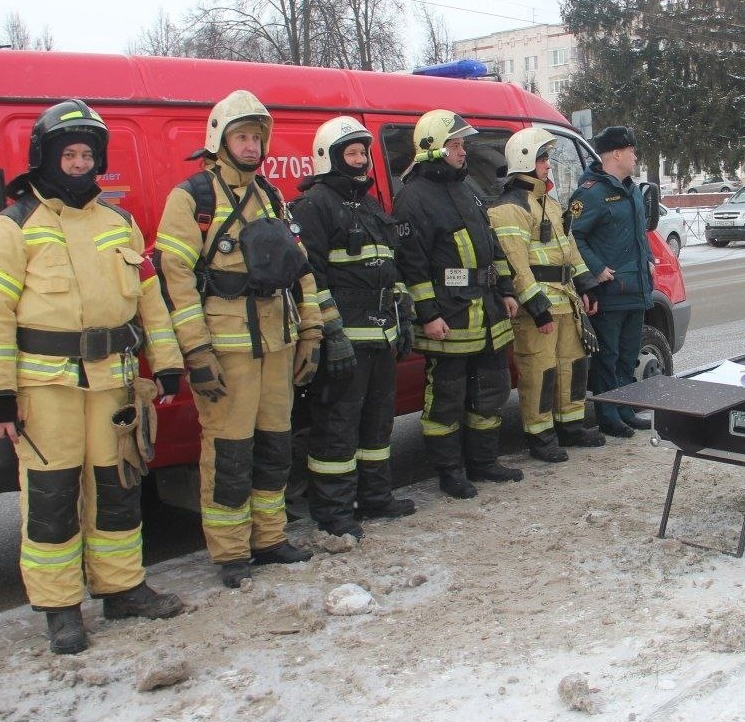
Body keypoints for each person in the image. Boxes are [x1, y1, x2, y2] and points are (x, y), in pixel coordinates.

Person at [0, 100, 186, 654]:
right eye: (70, 153)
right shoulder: (12, 226)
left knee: (117, 490)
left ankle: (122, 588)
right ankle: (60, 607)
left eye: (89, 153)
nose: (80, 163)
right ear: (46, 157)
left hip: (114, 382)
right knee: (52, 498)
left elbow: (151, 302)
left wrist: (170, 363)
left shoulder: (120, 222)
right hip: (47, 392)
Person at [154, 90, 322, 588]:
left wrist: (310, 330)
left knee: (274, 446)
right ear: (219, 140)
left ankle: (269, 538)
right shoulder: (192, 198)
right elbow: (175, 276)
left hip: (278, 342)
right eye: (242, 137)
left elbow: (300, 269)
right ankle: (230, 553)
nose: (251, 146)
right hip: (227, 349)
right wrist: (196, 350)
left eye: (256, 138)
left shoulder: (270, 197)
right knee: (229, 451)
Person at [289, 116, 417, 538]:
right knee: (337, 428)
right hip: (344, 341)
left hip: (379, 336)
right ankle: (335, 513)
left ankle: (376, 496)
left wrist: (403, 312)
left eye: (363, 152)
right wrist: (332, 334)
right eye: (352, 153)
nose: (361, 160)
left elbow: (389, 266)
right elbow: (311, 277)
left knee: (378, 423)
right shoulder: (313, 206)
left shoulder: (370, 204)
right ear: (329, 157)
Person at [393, 109, 522, 499]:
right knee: (446, 400)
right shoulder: (413, 198)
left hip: (486, 311)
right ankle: (450, 472)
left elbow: (492, 247)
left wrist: (506, 289)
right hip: (448, 316)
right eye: (455, 144)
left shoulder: (466, 189)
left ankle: (483, 463)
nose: (462, 151)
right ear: (433, 148)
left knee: (490, 391)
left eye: (463, 144)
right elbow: (411, 266)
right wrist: (428, 315)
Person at [488, 128, 605, 462]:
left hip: (565, 300)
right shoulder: (508, 209)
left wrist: (587, 285)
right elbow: (516, 264)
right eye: (542, 158)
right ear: (524, 159)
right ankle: (539, 435)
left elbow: (569, 249)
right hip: (537, 308)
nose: (548, 165)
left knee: (572, 365)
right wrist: (536, 307)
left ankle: (571, 426)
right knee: (539, 371)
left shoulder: (549, 203)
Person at [567, 126, 653, 438]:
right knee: (608, 357)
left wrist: (650, 262)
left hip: (636, 288)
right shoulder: (591, 193)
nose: (635, 156)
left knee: (628, 356)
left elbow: (638, 235)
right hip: (611, 292)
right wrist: (597, 269)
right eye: (631, 150)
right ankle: (608, 415)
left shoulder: (631, 189)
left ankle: (625, 409)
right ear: (616, 154)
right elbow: (574, 235)